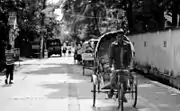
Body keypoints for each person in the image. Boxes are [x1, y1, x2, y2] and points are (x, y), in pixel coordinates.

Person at [102, 29, 135, 102]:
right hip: (116, 65)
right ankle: (112, 90)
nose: (120, 38)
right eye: (119, 36)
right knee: (113, 80)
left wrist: (130, 66)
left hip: (125, 66)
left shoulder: (127, 45)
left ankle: (122, 94)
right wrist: (110, 66)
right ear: (117, 37)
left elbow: (130, 56)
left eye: (121, 36)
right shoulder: (113, 45)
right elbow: (111, 56)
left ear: (123, 37)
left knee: (126, 84)